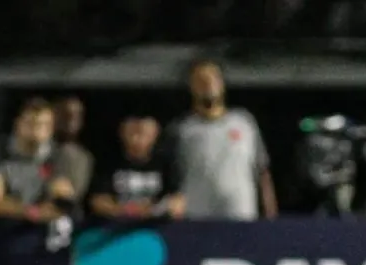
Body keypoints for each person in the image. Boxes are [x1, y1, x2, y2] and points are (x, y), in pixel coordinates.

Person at [160, 59, 278, 220]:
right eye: (200, 80)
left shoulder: (244, 122)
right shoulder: (181, 129)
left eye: (213, 78)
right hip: (196, 217)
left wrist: (271, 214)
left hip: (240, 216)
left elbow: (262, 171)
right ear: (191, 87)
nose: (208, 83)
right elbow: (169, 174)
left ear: (222, 84)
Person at [0, 97, 77, 223]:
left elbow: (63, 195)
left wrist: (59, 199)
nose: (38, 129)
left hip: (39, 230)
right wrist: (32, 212)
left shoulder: (57, 155)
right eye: (31, 123)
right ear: (18, 123)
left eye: (45, 124)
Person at [89, 116, 185, 220]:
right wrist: (127, 211)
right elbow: (97, 201)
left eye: (143, 133)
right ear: (122, 133)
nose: (137, 139)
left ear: (155, 135)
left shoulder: (165, 163)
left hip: (154, 227)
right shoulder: (108, 163)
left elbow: (177, 201)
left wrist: (160, 209)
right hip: (117, 226)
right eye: (132, 133)